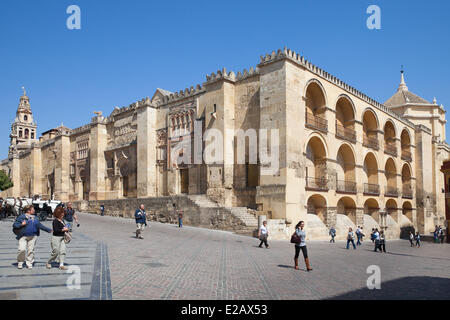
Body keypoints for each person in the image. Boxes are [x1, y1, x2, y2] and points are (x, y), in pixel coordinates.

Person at [13, 205, 52, 269]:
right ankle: (20, 262)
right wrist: (21, 224)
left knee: (31, 250)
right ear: (28, 211)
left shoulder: (35, 218)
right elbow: (15, 225)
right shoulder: (21, 217)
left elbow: (40, 225)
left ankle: (29, 262)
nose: (34, 210)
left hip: (33, 236)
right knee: (21, 249)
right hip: (23, 236)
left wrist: (48, 230)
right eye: (33, 209)